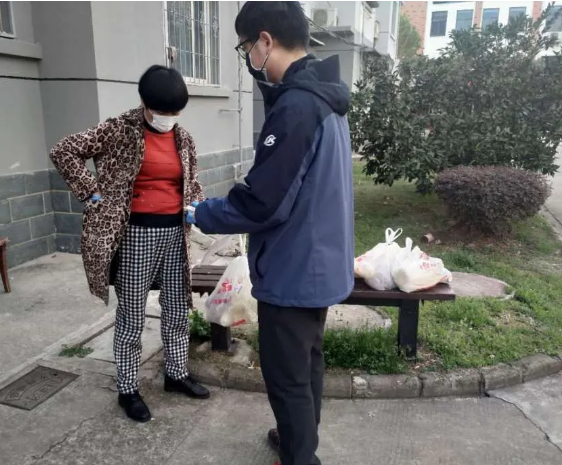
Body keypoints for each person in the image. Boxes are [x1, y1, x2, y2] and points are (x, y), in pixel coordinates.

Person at [188, 2, 354, 464]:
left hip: (294, 268)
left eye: (245, 47)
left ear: (265, 40)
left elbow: (264, 202)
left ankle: (301, 456)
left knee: (287, 378)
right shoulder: (325, 97)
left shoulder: (297, 107)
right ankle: (298, 440)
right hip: (318, 262)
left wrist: (202, 212)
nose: (247, 57)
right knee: (306, 365)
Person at [50, 65, 210, 423]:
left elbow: (193, 182)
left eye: (175, 111)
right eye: (163, 110)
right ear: (145, 103)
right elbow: (64, 150)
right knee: (132, 314)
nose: (169, 117)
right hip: (136, 234)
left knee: (176, 309)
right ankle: (127, 388)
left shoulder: (183, 139)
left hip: (176, 233)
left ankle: (176, 373)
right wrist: (91, 193)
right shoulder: (118, 130)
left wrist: (198, 206)